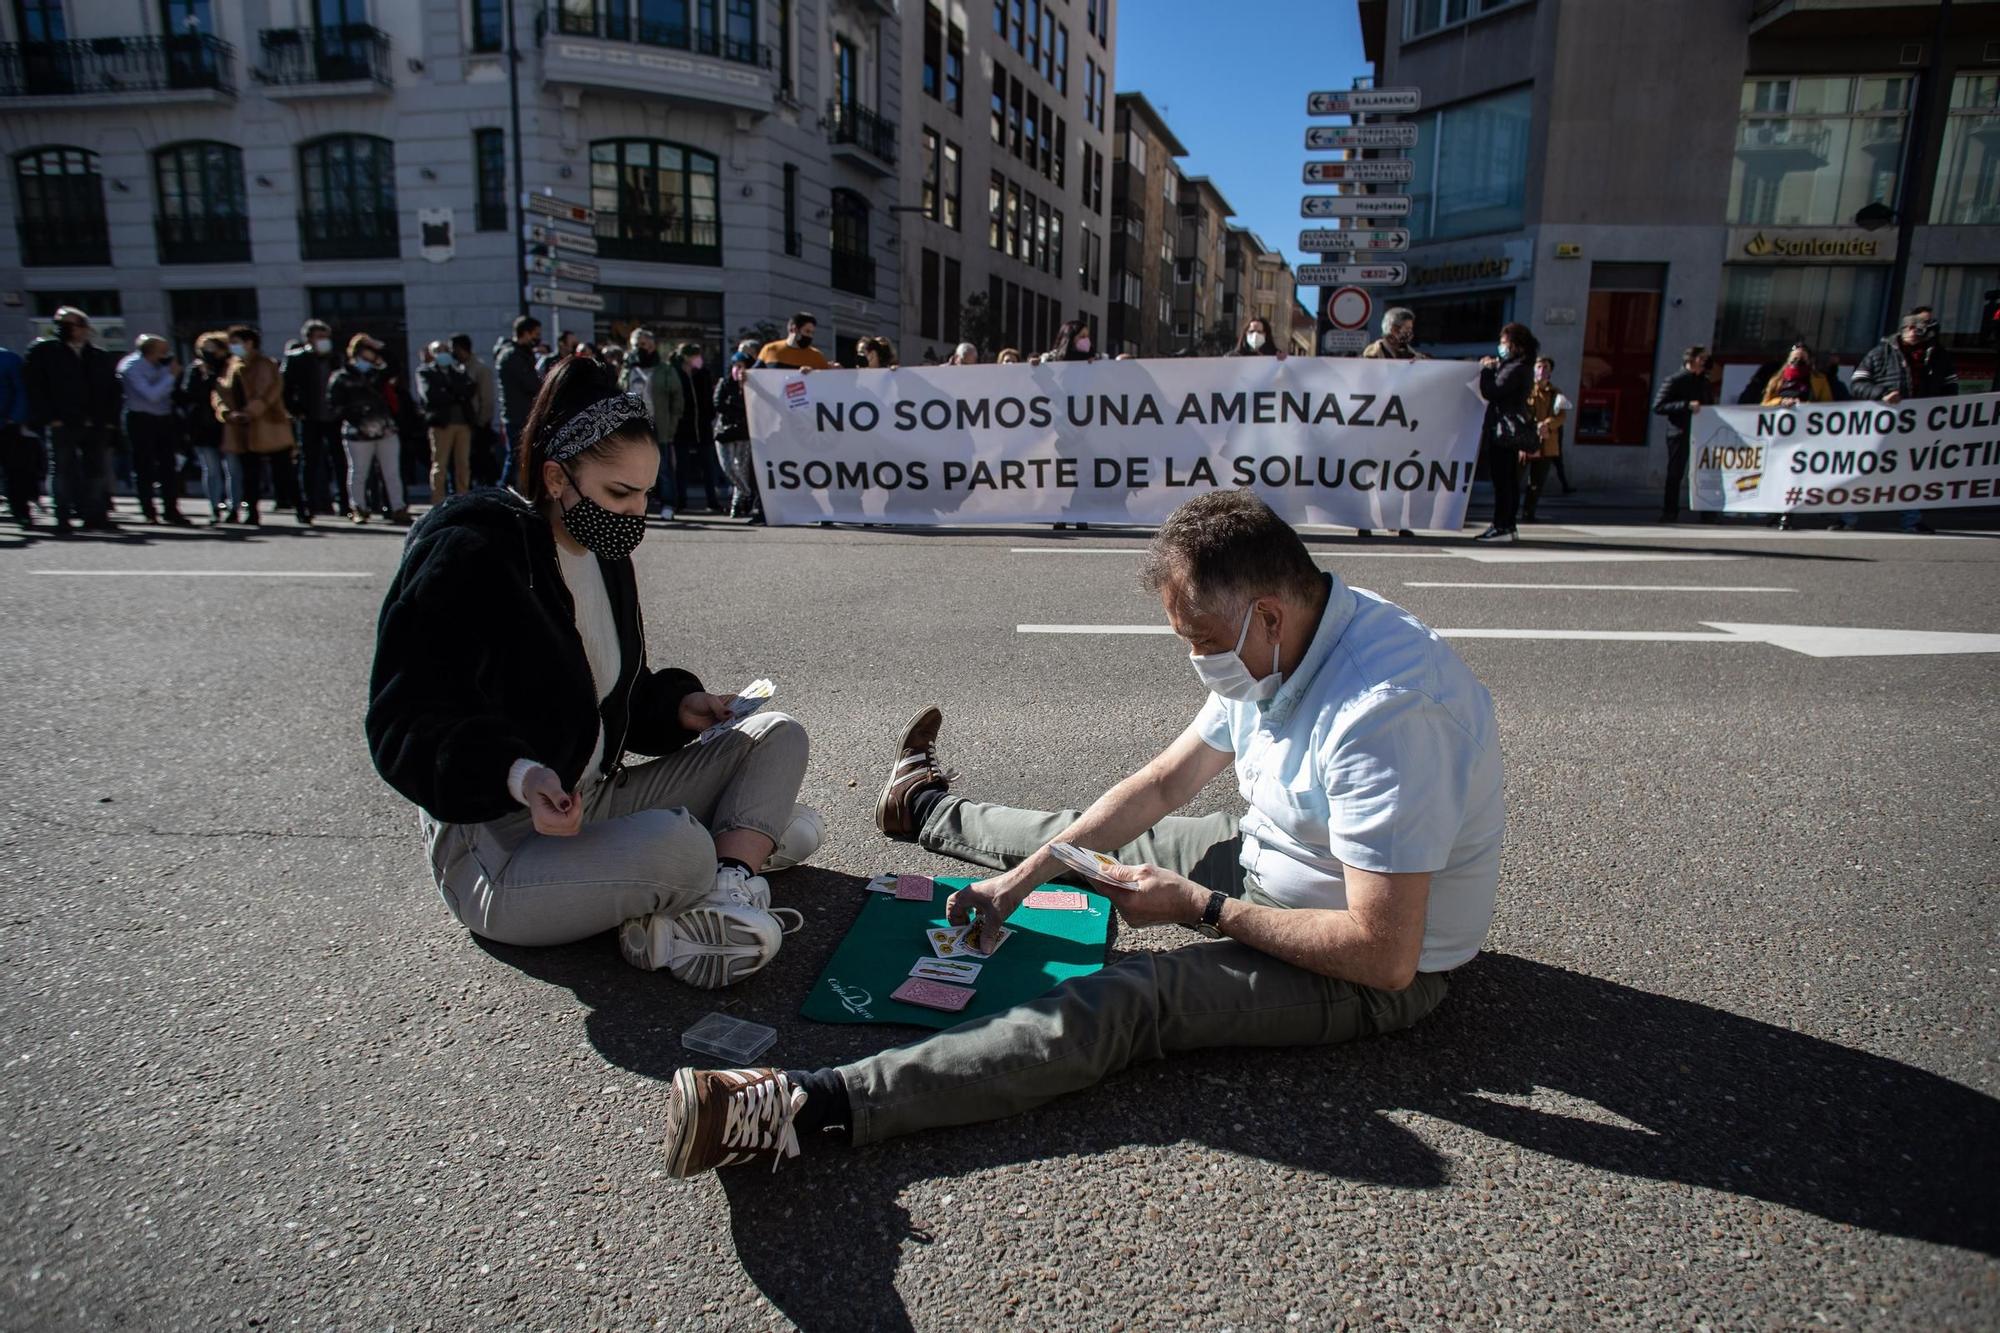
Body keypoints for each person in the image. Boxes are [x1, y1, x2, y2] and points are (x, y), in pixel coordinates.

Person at [658, 488, 1503, 1174]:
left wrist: (1201, 908)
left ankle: (808, 1105)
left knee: (1133, 999)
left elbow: (1383, 952)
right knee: (1081, 837)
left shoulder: (1385, 714)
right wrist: (1027, 879)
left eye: (1204, 642)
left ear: (1268, 616)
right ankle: (923, 811)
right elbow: (1163, 783)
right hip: (1273, 856)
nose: (1199, 661)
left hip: (1363, 960)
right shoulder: (1280, 639)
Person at [364, 357, 822, 988]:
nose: (637, 514)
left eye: (645, 495)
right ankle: (704, 885)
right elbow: (403, 721)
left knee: (776, 734)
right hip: (500, 846)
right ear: (557, 477)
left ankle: (721, 891)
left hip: (591, 800)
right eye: (618, 494)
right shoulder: (471, 553)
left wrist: (677, 706)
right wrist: (520, 776)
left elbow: (603, 692)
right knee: (696, 847)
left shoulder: (603, 553)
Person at [1851, 308, 1957, 534]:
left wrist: (1940, 410)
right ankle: (1847, 517)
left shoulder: (1940, 357)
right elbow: (1858, 384)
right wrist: (1882, 394)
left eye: (1918, 326)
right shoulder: (1880, 353)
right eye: (1908, 326)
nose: (1912, 330)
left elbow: (1950, 389)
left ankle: (1911, 520)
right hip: (1882, 425)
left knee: (1914, 471)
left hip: (1922, 425)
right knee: (1865, 468)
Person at [24, 306, 121, 533]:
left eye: (71, 324)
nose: (65, 329)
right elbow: (35, 387)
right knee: (62, 470)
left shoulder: (97, 356)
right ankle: (63, 517)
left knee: (96, 471)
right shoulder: (45, 352)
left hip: (95, 422)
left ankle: (95, 516)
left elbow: (112, 389)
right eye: (61, 324)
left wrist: (109, 420)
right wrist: (49, 418)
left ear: (84, 328)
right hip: (63, 421)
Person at [213, 324, 303, 529]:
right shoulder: (231, 365)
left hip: (269, 426)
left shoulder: (266, 365)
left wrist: (250, 412)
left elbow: (269, 392)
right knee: (249, 474)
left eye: (236, 342)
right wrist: (226, 412)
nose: (233, 347)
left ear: (249, 343)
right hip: (241, 429)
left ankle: (301, 508)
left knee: (284, 472)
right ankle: (251, 512)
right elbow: (219, 392)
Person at [328, 334, 408, 525]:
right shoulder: (341, 377)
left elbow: (395, 365)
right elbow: (334, 405)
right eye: (367, 350)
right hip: (358, 433)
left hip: (385, 429)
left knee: (392, 472)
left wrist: (380, 347)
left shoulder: (377, 374)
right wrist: (357, 417)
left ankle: (398, 507)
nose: (370, 355)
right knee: (359, 472)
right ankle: (359, 508)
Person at [1473, 322, 1537, 544]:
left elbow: (1493, 391)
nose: (1501, 347)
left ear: (1515, 344)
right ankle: (1506, 524)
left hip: (1503, 430)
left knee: (1503, 481)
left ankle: (1502, 526)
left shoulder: (1515, 368)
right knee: (1508, 480)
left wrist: (1487, 371)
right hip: (1506, 427)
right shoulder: (1520, 366)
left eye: (1504, 343)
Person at [117, 335, 187, 525]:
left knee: (168, 466)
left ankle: (171, 510)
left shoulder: (163, 365)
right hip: (141, 418)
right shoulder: (132, 366)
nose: (167, 354)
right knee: (144, 466)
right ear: (151, 351)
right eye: (163, 351)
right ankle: (149, 511)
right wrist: (171, 376)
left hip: (164, 418)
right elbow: (151, 395)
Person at [282, 319, 347, 516]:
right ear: (309, 339)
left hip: (335, 418)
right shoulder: (296, 359)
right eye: (320, 337)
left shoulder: (336, 358)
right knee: (309, 462)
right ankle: (307, 505)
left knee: (340, 462)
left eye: (326, 337)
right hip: (309, 418)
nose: (324, 341)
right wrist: (295, 410)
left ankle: (344, 504)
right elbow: (285, 389)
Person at [622, 329, 685, 520]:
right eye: (637, 345)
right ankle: (636, 506)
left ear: (652, 346)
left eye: (644, 345)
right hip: (633, 427)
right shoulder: (628, 370)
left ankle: (668, 504)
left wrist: (671, 425)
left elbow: (677, 400)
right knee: (633, 469)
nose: (640, 349)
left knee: (663, 468)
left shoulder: (664, 369)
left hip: (659, 425)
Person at [1652, 345, 1715, 525]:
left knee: (1704, 473)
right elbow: (1658, 406)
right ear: (1691, 360)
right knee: (1675, 474)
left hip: (1702, 434)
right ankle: (1670, 511)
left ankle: (1707, 513)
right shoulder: (1675, 380)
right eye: (1701, 358)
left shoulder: (1704, 381)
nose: (1704, 362)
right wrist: (1685, 405)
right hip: (1679, 432)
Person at [176, 331, 235, 524]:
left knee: (232, 468)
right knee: (211, 469)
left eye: (213, 348)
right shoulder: (195, 369)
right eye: (204, 348)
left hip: (228, 424)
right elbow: (187, 394)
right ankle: (214, 505)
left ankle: (234, 506)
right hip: (202, 426)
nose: (208, 352)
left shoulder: (231, 367)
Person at [419, 339, 479, 502]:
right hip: (441, 425)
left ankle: (463, 499)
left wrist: (450, 390)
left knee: (463, 465)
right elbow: (431, 396)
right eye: (438, 351)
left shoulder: (458, 371)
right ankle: (437, 500)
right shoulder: (426, 372)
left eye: (445, 350)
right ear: (432, 354)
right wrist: (455, 394)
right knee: (440, 465)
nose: (443, 354)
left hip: (463, 424)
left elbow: (469, 390)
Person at [668, 342, 723, 513]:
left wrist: (710, 415)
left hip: (703, 426)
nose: (699, 359)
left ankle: (712, 501)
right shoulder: (674, 373)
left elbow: (709, 397)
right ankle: (681, 501)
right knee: (681, 467)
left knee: (708, 466)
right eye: (695, 355)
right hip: (682, 426)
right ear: (686, 357)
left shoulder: (704, 373)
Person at [1520, 356, 1570, 525]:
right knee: (1515, 479)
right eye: (1539, 366)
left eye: (1546, 367)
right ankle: (1509, 512)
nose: (1542, 371)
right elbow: (1521, 412)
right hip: (1526, 442)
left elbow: (1562, 415)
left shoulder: (1556, 393)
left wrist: (1548, 425)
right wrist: (1535, 425)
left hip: (1547, 443)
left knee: (1537, 482)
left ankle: (1529, 512)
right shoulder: (1526, 389)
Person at [713, 349, 761, 523]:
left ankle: (736, 505)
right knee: (728, 467)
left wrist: (743, 389)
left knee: (741, 468)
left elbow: (753, 407)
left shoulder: (751, 387)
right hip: (725, 432)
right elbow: (719, 404)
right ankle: (748, 493)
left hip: (743, 433)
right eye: (735, 366)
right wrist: (737, 406)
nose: (737, 370)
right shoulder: (724, 383)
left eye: (741, 366)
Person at [497, 316, 543, 489]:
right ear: (525, 333)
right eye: (536, 334)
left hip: (522, 414)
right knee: (516, 457)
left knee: (519, 457)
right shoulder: (512, 356)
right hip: (518, 416)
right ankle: (504, 491)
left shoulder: (520, 354)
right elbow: (531, 384)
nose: (538, 338)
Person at [453, 332, 500, 487]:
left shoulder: (480, 369)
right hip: (464, 424)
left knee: (483, 464)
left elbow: (487, 399)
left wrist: (481, 422)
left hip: (478, 425)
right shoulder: (459, 369)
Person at [0, 340, 32, 527]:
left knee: (15, 470)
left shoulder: (8, 358)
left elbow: (21, 390)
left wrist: (15, 418)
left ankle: (20, 510)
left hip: (6, 424)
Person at [758, 313, 833, 372]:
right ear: (794, 329)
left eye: (812, 333)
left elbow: (826, 382)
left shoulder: (817, 356)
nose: (810, 336)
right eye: (807, 331)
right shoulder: (770, 349)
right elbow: (753, 375)